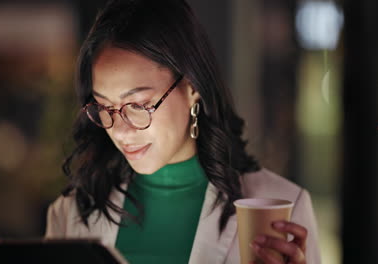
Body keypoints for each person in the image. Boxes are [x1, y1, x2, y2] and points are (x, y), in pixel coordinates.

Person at [45, 0, 321, 263]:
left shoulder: (281, 208)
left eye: (139, 105)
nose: (121, 131)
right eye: (104, 106)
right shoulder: (72, 213)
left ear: (192, 87)